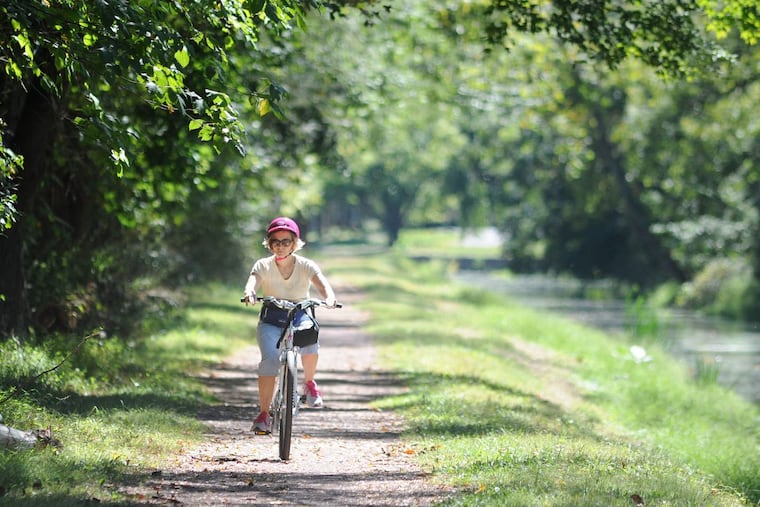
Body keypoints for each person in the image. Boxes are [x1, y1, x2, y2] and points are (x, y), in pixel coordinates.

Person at [242, 216, 337, 435]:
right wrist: (250, 292)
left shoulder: (306, 265)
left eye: (286, 241)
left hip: (300, 315)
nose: (280, 245)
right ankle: (264, 415)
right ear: (269, 242)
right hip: (271, 319)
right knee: (269, 362)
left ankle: (309, 384)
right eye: (275, 241)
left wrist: (330, 298)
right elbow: (253, 282)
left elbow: (323, 286)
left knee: (311, 337)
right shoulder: (263, 265)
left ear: (295, 243)